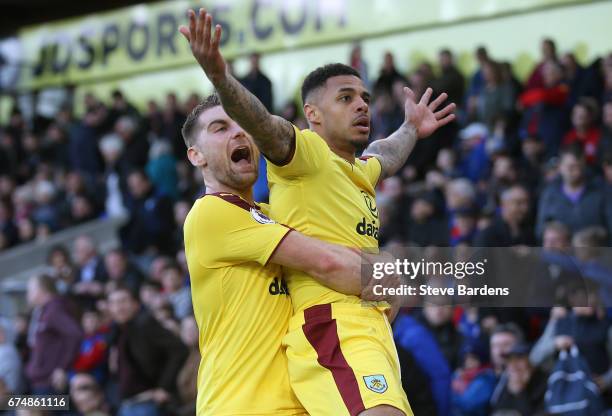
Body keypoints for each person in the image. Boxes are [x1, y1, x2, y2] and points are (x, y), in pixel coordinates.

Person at [180, 9, 455, 416]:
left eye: (364, 98)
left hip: (293, 397)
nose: (238, 132)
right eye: (221, 128)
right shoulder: (217, 213)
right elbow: (326, 261)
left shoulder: (275, 210)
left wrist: (410, 128)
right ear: (195, 154)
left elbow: (380, 157)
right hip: (243, 403)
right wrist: (388, 271)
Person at [107, 285, 187, 416]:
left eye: (122, 301)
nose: (118, 308)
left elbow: (179, 350)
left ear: (135, 304)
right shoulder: (117, 332)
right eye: (113, 303)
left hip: (148, 403)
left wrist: (164, 387)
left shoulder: (144, 323)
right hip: (127, 404)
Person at [25, 275, 82, 394]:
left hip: (49, 383)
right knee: (15, 405)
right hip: (42, 381)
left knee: (12, 404)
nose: (28, 294)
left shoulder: (54, 310)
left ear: (42, 290)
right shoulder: (45, 310)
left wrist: (62, 367)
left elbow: (75, 334)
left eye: (30, 290)